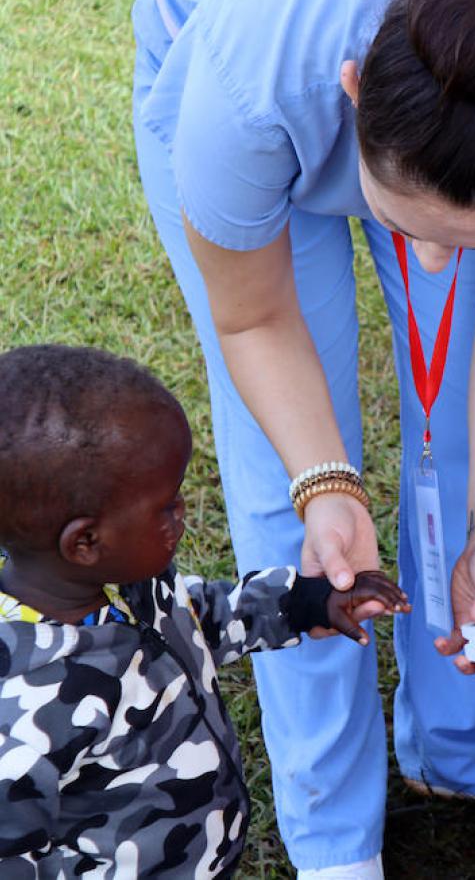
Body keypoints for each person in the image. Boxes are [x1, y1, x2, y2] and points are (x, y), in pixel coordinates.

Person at [131, 0, 475, 874]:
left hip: (471, 131)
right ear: (357, 87)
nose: (435, 261)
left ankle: (467, 745)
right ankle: (332, 831)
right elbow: (255, 320)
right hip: (258, 101)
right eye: (418, 228)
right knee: (295, 510)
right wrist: (324, 481)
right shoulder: (249, 76)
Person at [0, 345, 409, 877]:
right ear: (85, 541)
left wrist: (308, 601)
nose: (183, 513)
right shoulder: (26, 706)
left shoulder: (125, 584)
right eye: (166, 505)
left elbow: (200, 617)